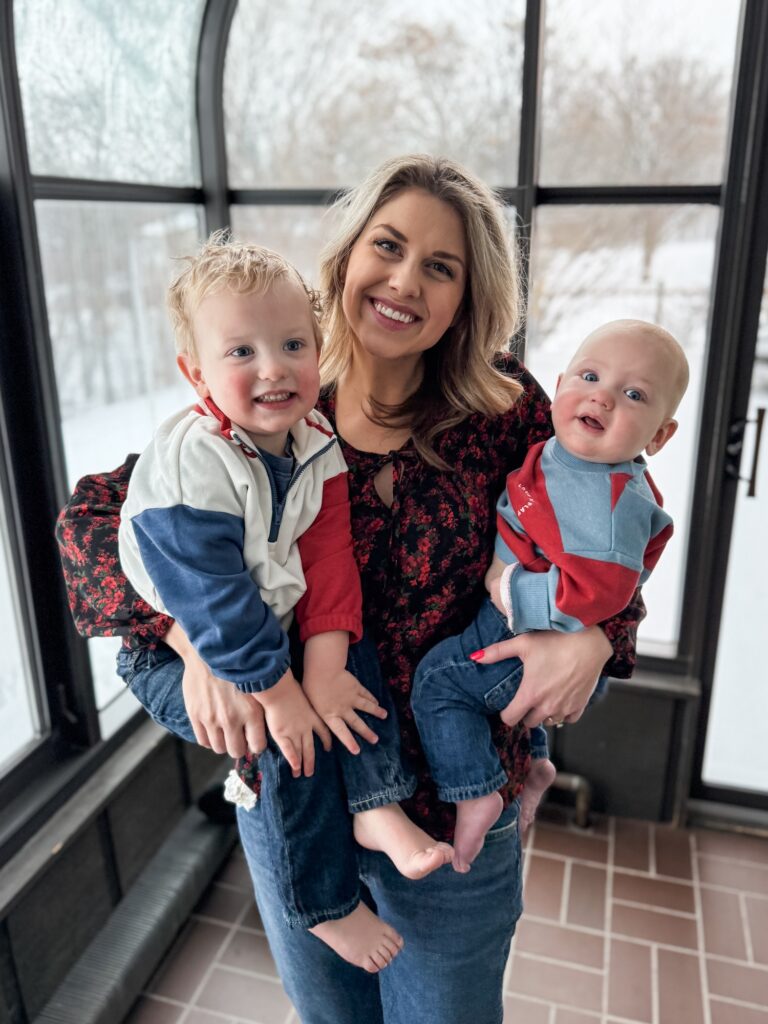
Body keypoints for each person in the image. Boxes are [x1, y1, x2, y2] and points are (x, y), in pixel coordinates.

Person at [56, 154, 645, 1024]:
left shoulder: (508, 409)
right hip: (300, 797)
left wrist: (597, 639)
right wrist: (193, 644)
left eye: (440, 267)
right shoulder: (273, 392)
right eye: (389, 246)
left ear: (466, 296)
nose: (404, 282)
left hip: (449, 809)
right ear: (348, 255)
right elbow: (97, 521)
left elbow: (613, 531)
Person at [117, 234, 453, 972]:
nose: (273, 368)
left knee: (349, 654)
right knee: (273, 739)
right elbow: (216, 605)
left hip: (268, 631)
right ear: (196, 373)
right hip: (184, 648)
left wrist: (324, 667)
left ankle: (373, 804)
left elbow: (329, 558)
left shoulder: (313, 439)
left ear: (318, 348)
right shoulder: (193, 465)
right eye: (242, 352)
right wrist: (281, 694)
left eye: (293, 344)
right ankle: (323, 905)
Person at [412, 319, 689, 867]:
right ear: (559, 386)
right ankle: (537, 760)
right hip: (518, 621)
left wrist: (509, 590)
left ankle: (475, 795)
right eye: (589, 376)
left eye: (634, 395)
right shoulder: (564, 449)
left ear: (658, 437)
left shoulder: (613, 502)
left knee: (439, 684)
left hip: (527, 628)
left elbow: (600, 593)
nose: (602, 397)